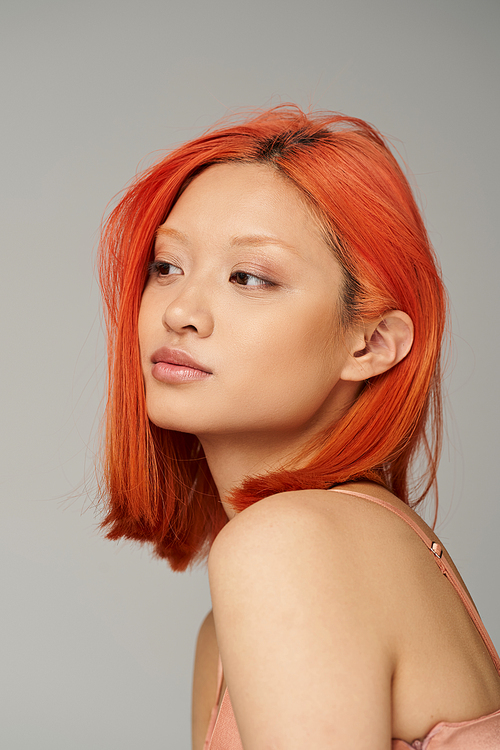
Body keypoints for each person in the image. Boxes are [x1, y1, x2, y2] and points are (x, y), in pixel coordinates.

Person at [97, 105, 500, 749]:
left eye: (249, 277)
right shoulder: (236, 623)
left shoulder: (290, 546)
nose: (180, 312)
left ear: (369, 343)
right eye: (167, 267)